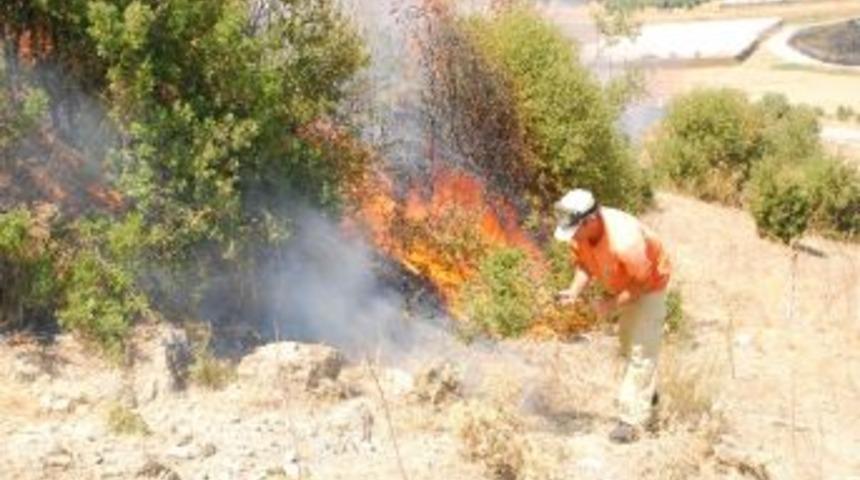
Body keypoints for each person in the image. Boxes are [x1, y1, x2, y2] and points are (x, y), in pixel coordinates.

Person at [554, 188, 671, 444]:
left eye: (575, 231)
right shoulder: (581, 232)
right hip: (624, 284)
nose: (573, 237)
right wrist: (574, 291)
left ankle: (629, 422)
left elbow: (640, 284)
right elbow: (585, 264)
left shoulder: (626, 241)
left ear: (591, 219)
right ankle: (647, 395)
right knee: (629, 346)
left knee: (641, 351)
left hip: (649, 284)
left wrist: (610, 304)